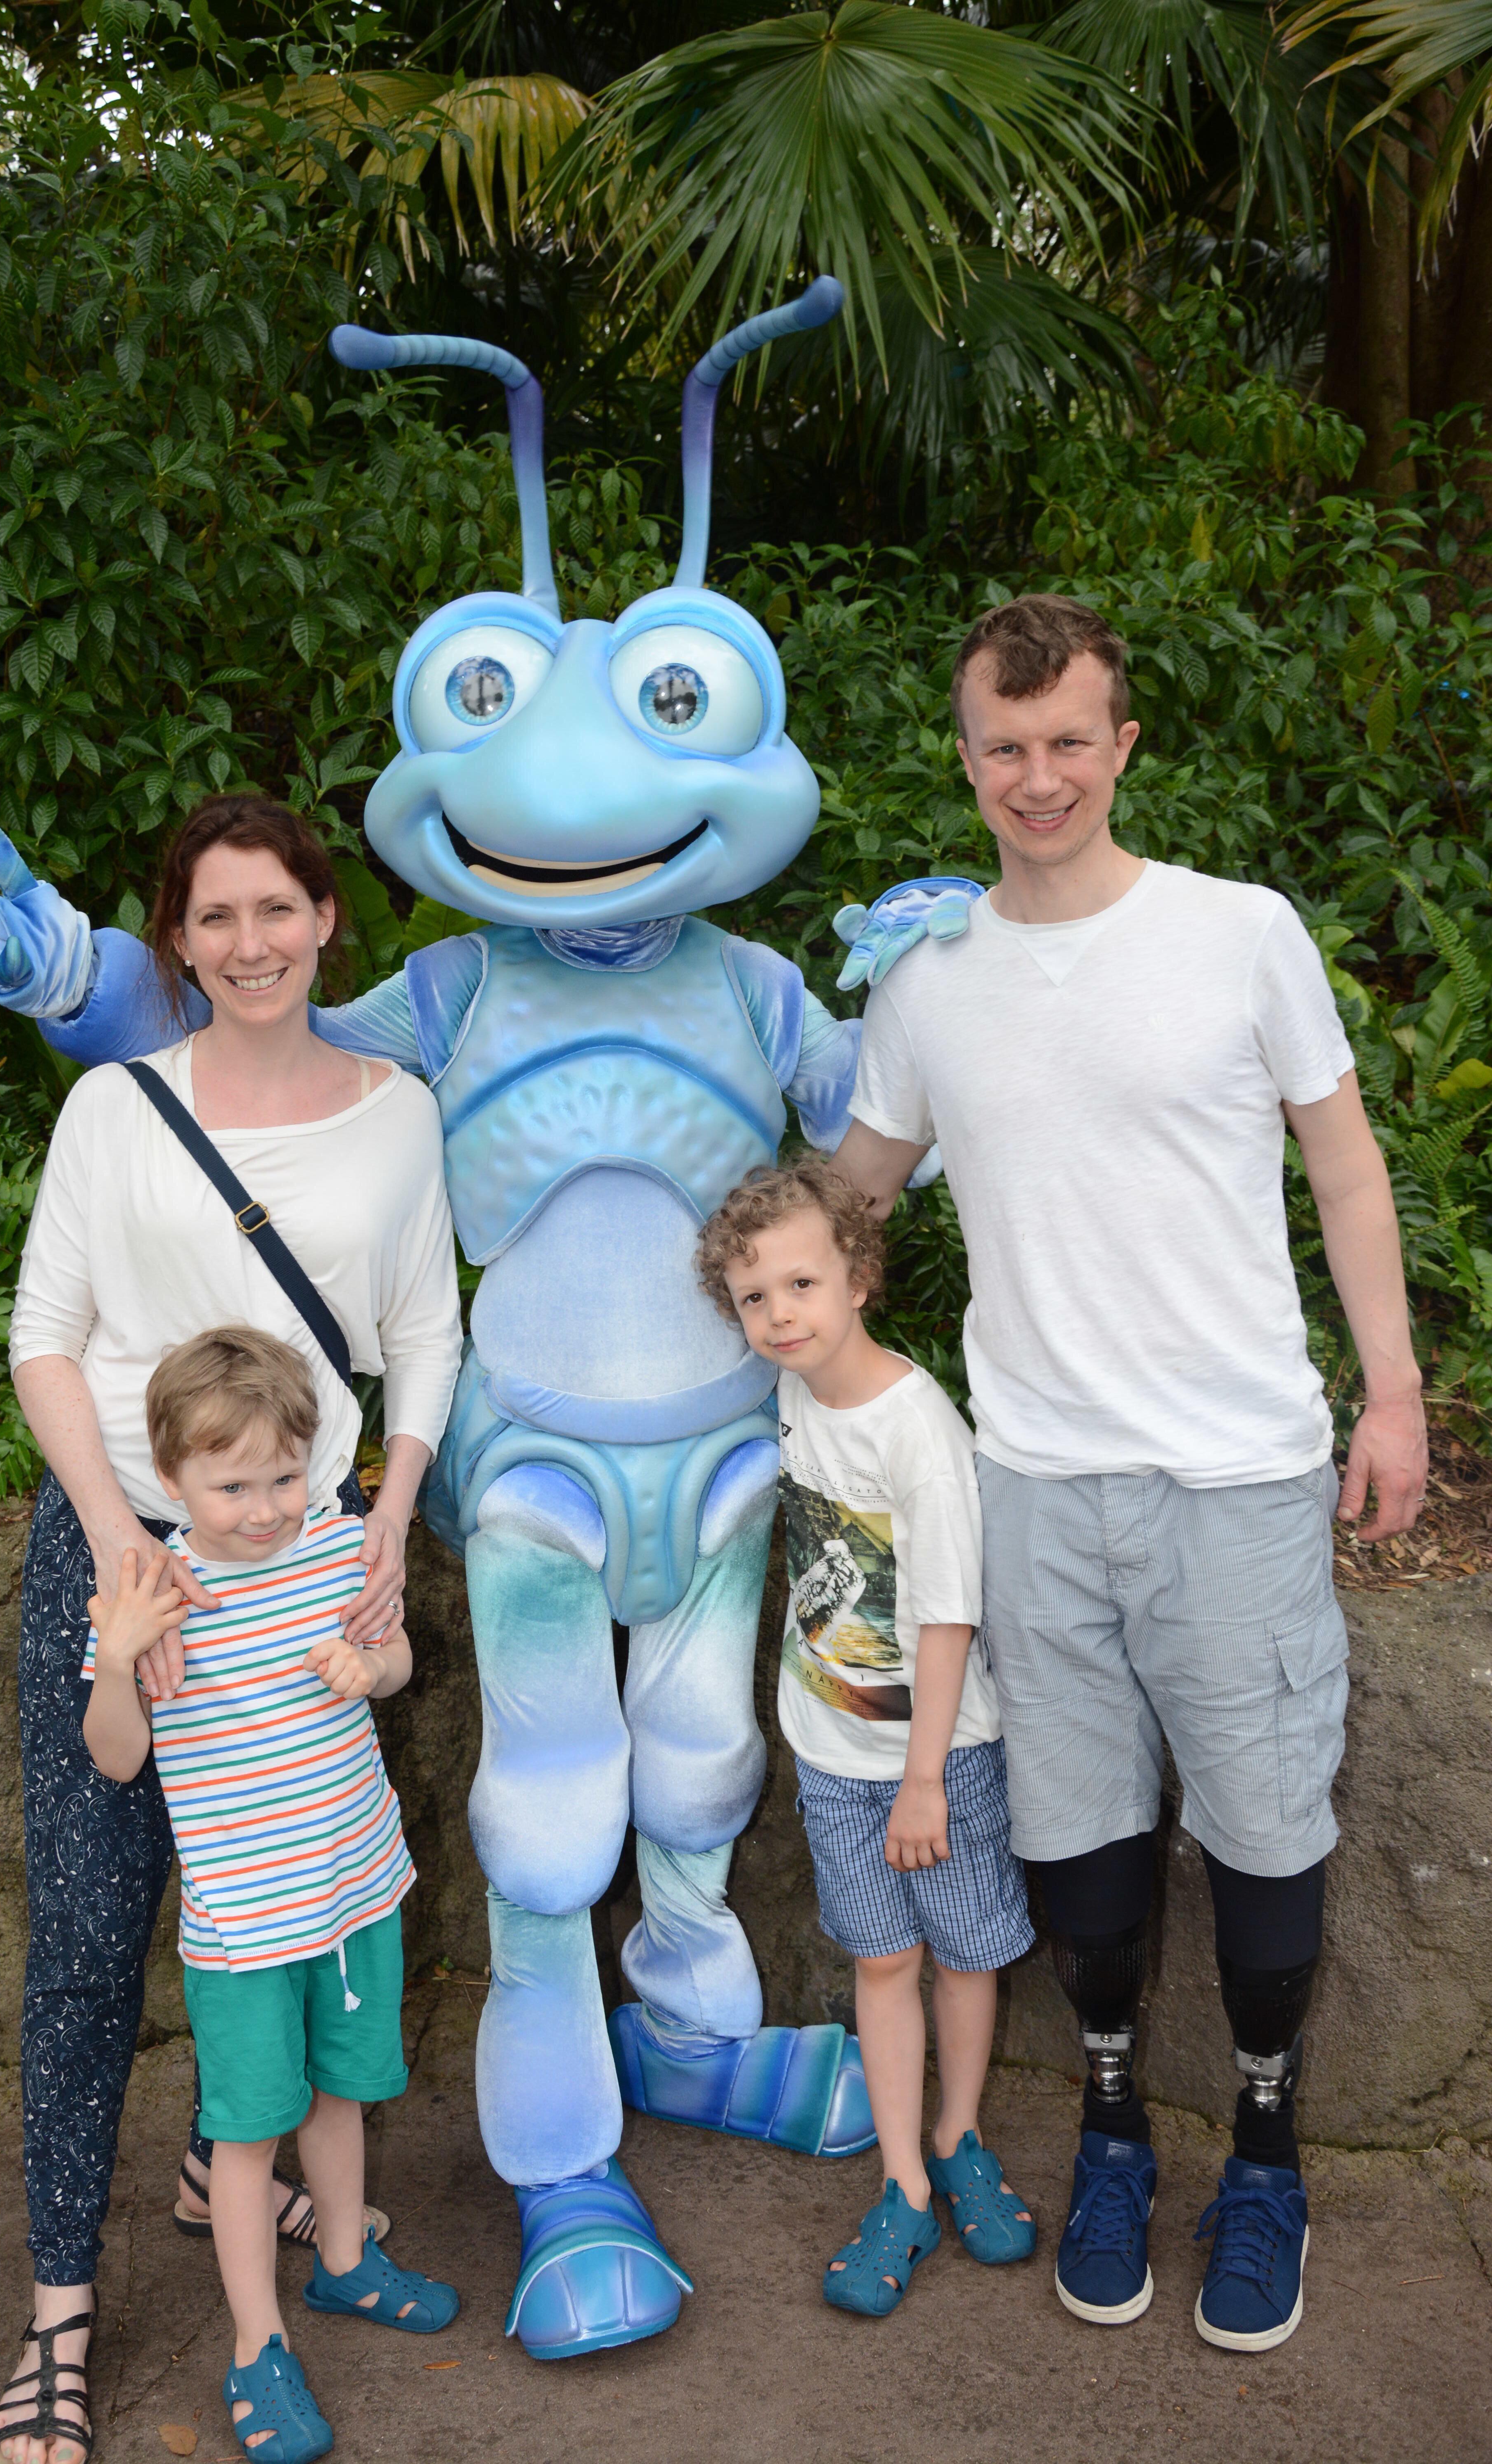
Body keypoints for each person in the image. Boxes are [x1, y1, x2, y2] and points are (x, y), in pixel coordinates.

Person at [831, 593, 1427, 2353]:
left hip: (1236, 1477)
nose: (1036, 777)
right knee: (1084, 1863)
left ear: (1122, 747)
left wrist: (1388, 1396)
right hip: (1030, 1486)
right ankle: (1106, 2135)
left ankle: (1263, 2159)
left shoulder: (1240, 935)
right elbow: (848, 1199)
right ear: (963, 758)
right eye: (1002, 748)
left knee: (1259, 1841)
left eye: (1067, 741)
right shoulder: (925, 977)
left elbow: (1349, 1174)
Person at [0, 793, 461, 2464]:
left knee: (301, 1876)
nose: (252, 942)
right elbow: (46, 1337)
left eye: (280, 909)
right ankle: (59, 2317)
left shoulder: (398, 1113)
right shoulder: (117, 1111)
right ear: (174, 942)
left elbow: (421, 1334)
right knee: (94, 1941)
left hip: (313, 1548)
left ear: (330, 920)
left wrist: (388, 1523)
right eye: (216, 917)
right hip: (128, 1553)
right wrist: (125, 1552)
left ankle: (251, 2180)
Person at [84, 1327, 458, 2462]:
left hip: (356, 1891)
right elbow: (112, 1757)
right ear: (172, 1482)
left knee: (344, 2094)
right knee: (247, 2136)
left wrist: (374, 1670)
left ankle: (346, 2261)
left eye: (285, 1478)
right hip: (246, 1931)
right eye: (231, 1484)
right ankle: (258, 2343)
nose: (264, 1507)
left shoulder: (340, 1551)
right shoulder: (150, 1590)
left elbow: (392, 1658)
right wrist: (119, 1658)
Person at [696, 1157, 1035, 2317]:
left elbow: (948, 1614)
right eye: (754, 1297)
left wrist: (928, 1780)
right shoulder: (791, 1392)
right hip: (835, 1758)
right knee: (881, 1961)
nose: (779, 1313)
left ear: (859, 1279)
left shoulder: (915, 1427)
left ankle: (958, 2139)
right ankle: (899, 2185)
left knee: (966, 1954)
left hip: (942, 1759)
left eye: (801, 1283)